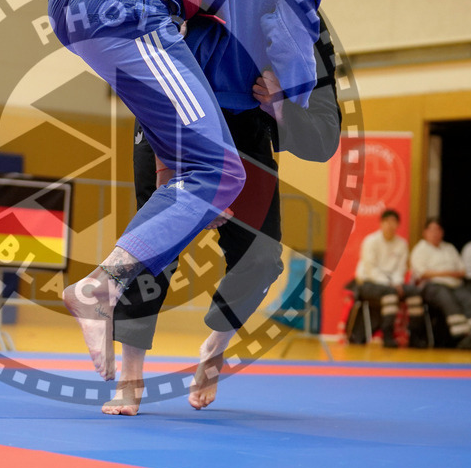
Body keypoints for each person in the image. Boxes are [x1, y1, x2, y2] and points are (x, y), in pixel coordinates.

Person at [48, 0, 364, 381]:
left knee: (218, 190)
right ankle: (100, 295)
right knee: (220, 175)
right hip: (126, 6)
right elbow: (295, 27)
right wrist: (290, 94)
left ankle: (110, 295)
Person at [104, 21, 342, 415]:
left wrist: (280, 107)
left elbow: (323, 135)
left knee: (262, 258)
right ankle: (131, 375)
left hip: (245, 126)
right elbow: (151, 71)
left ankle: (215, 348)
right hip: (168, 120)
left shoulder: (303, 19)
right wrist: (181, 185)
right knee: (154, 248)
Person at [354, 209, 426, 348]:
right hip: (369, 282)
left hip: (393, 283)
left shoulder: (402, 244)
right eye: (387, 222)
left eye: (394, 222)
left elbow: (401, 269)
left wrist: (397, 282)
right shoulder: (371, 241)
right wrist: (390, 284)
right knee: (390, 294)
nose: (390, 225)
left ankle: (415, 336)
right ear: (381, 224)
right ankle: (387, 336)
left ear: (398, 225)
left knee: (414, 293)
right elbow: (370, 269)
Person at [409, 218, 471, 349]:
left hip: (454, 285)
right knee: (446, 298)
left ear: (442, 232)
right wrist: (447, 273)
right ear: (425, 232)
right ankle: (462, 336)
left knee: (470, 299)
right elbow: (422, 273)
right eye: (432, 230)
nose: (435, 233)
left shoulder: (449, 248)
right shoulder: (420, 249)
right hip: (431, 286)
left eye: (438, 229)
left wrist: (446, 273)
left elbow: (462, 270)